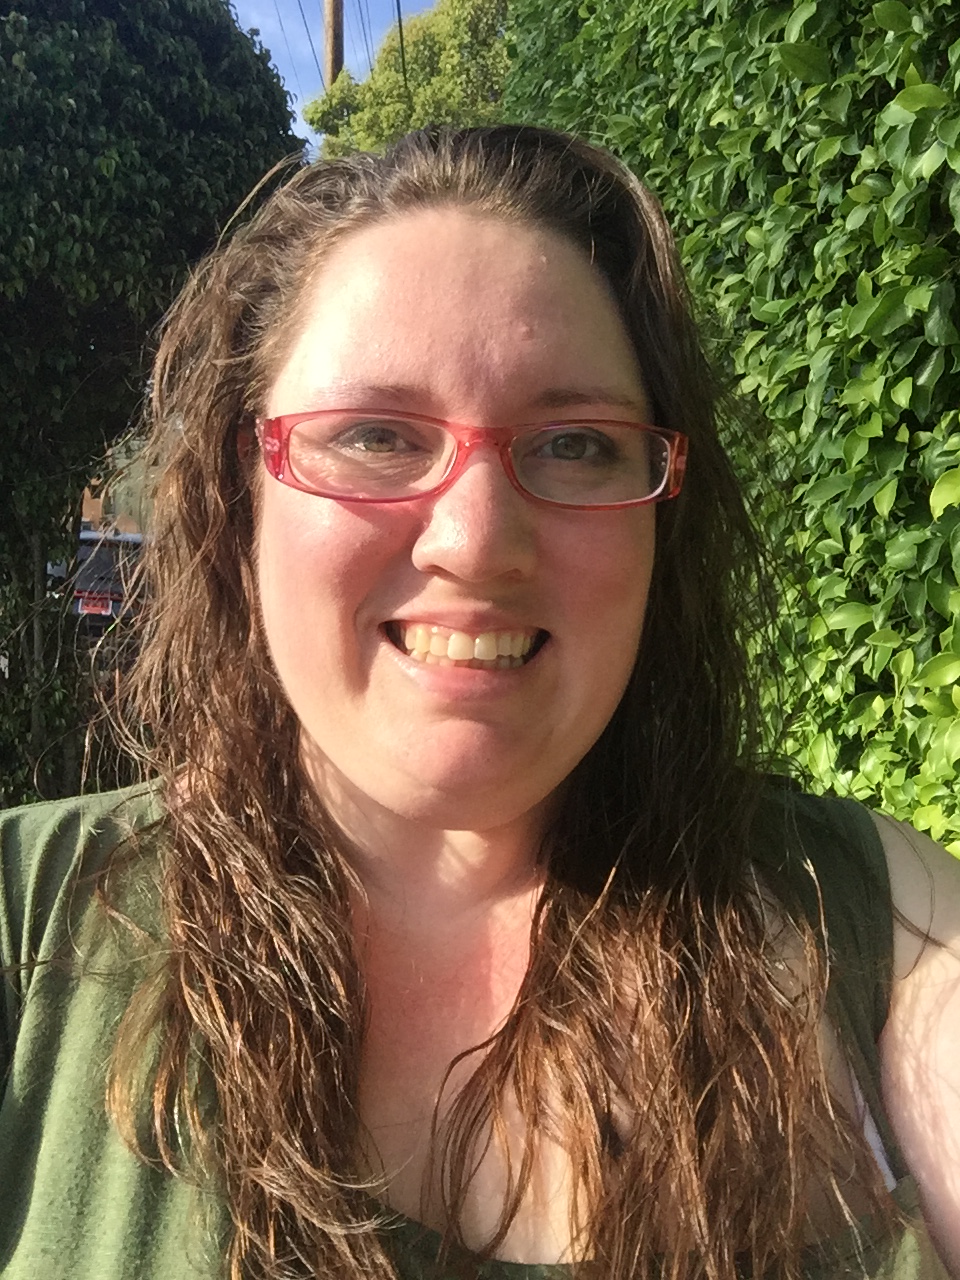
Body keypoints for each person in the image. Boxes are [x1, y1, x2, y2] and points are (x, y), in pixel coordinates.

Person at [0, 125, 958, 1280]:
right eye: (374, 434)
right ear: (240, 491)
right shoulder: (28, 929)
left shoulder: (878, 931)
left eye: (575, 444)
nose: (477, 539)